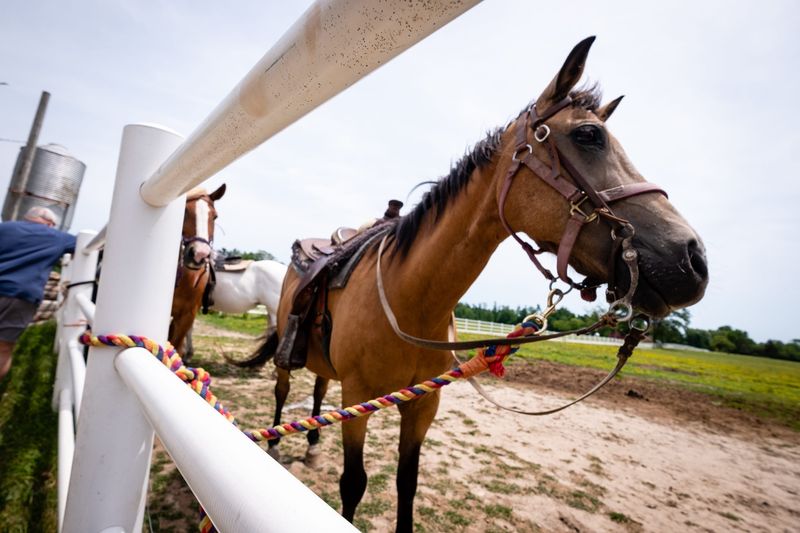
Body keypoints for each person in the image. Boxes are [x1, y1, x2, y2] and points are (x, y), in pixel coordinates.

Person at [0, 206, 76, 382]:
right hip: (20, 296)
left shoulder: (5, 228)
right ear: (50, 224)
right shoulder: (57, 237)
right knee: (3, 346)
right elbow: (89, 245)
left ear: (27, 217)